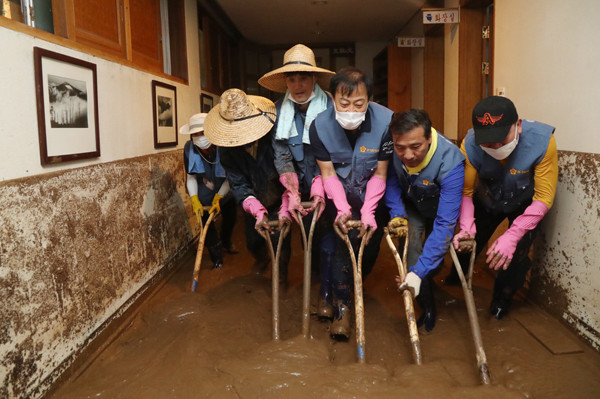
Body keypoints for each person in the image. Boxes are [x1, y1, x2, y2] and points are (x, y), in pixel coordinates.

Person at [452, 96, 558, 319]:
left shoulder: (542, 141)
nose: (497, 146)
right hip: (487, 197)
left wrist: (514, 233)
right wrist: (466, 223)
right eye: (489, 142)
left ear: (517, 125)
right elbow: (465, 191)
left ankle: (502, 300)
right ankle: (456, 279)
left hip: (524, 203)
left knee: (516, 252)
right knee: (468, 241)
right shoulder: (470, 144)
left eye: (502, 138)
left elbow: (544, 198)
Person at [309, 67, 394, 339]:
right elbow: (328, 173)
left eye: (359, 103)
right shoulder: (319, 126)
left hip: (373, 195)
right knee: (339, 248)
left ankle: (356, 285)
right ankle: (342, 309)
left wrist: (368, 211)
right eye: (344, 103)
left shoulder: (387, 123)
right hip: (339, 195)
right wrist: (343, 208)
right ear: (332, 98)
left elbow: (381, 173)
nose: (351, 110)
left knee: (368, 251)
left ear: (369, 99)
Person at [258, 43, 337, 318]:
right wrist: (291, 189)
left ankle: (322, 282)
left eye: (304, 77)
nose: (298, 84)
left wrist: (318, 183)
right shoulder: (278, 111)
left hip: (325, 176)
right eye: (292, 78)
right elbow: (281, 154)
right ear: (285, 81)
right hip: (289, 177)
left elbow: (331, 153)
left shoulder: (331, 107)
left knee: (322, 232)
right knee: (284, 226)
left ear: (314, 78)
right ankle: (281, 278)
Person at [384, 109, 465, 331]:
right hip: (412, 206)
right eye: (400, 148)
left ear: (429, 138)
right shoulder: (393, 148)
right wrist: (397, 214)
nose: (408, 155)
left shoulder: (451, 163)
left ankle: (423, 277)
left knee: (432, 257)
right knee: (411, 250)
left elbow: (445, 224)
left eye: (415, 147)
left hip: (440, 211)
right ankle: (427, 307)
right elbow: (390, 180)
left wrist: (420, 271)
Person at [203, 88, 291, 282]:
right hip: (253, 201)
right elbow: (238, 182)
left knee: (280, 243)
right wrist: (255, 208)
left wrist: (288, 199)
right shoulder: (226, 149)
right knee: (253, 242)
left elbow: (288, 168)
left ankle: (281, 278)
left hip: (279, 198)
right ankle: (262, 259)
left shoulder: (274, 134)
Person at [180, 113, 238, 269]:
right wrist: (194, 199)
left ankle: (226, 241)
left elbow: (230, 177)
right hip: (205, 187)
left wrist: (219, 197)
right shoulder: (189, 149)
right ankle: (216, 257)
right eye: (195, 134)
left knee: (230, 215)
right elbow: (191, 177)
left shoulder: (225, 146)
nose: (199, 137)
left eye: (202, 133)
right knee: (205, 221)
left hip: (225, 186)